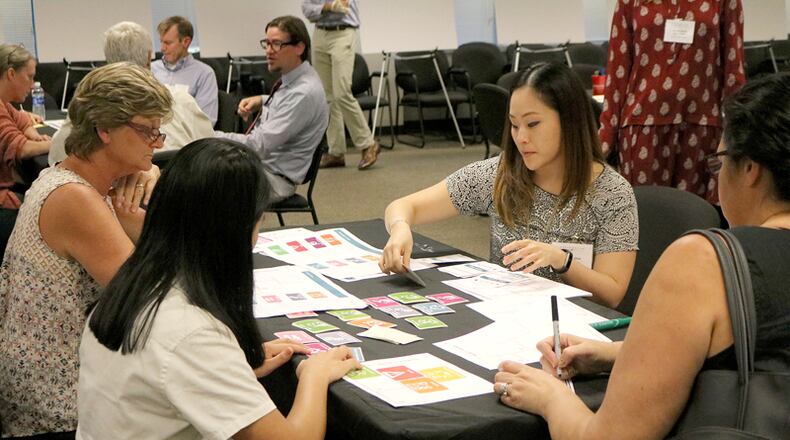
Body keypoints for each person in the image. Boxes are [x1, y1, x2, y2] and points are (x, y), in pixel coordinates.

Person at [494, 72, 790, 439]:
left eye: (719, 162)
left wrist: (551, 399)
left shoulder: (706, 262)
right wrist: (621, 353)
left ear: (749, 170)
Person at [77, 138, 360, 439]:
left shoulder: (131, 286)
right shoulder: (191, 332)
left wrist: (233, 368)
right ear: (236, 230)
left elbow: (158, 384)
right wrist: (313, 377)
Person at [0, 62, 171, 438]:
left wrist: (145, 172)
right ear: (104, 129)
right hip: (60, 409)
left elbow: (166, 248)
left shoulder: (73, 178)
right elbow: (149, 300)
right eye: (148, 132)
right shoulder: (74, 198)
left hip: (63, 384)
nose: (157, 144)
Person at [380, 63, 638, 308]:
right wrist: (401, 229)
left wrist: (561, 260)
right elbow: (403, 206)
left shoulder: (612, 194)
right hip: (504, 318)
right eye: (515, 125)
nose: (521, 138)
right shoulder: (502, 173)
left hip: (572, 332)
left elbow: (612, 295)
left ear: (570, 121)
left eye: (533, 124)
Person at [599, 0, 745, 203]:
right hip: (642, 127)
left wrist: (735, 137)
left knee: (695, 218)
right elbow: (617, 72)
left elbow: (734, 72)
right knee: (645, 219)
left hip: (702, 128)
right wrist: (605, 140)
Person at [48, 21, 215, 166]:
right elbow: (210, 153)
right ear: (149, 59)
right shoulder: (182, 100)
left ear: (108, 61)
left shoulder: (90, 105)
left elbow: (58, 155)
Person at [215, 15, 329, 204]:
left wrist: (210, 135)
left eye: (276, 44)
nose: (268, 51)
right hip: (263, 168)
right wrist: (262, 100)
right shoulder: (298, 79)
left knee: (201, 185)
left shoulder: (303, 93)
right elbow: (288, 104)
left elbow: (257, 146)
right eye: (266, 43)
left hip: (272, 179)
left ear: (299, 47)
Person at [302, 0, 382, 170]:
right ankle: (336, 152)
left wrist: (323, 8)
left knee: (342, 93)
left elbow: (343, 7)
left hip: (342, 32)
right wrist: (327, 7)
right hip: (319, 34)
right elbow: (307, 10)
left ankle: (368, 144)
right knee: (327, 97)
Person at [0, 44, 51, 256]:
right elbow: (21, 149)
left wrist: (30, 131)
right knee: (47, 217)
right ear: (11, 74)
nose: (31, 85)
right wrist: (61, 143)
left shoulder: (4, 103)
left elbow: (20, 120)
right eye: (28, 77)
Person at [151, 15, 219, 125]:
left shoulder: (204, 74)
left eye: (168, 43)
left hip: (186, 138)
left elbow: (206, 123)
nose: (162, 48)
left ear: (186, 42)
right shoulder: (151, 70)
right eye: (161, 42)